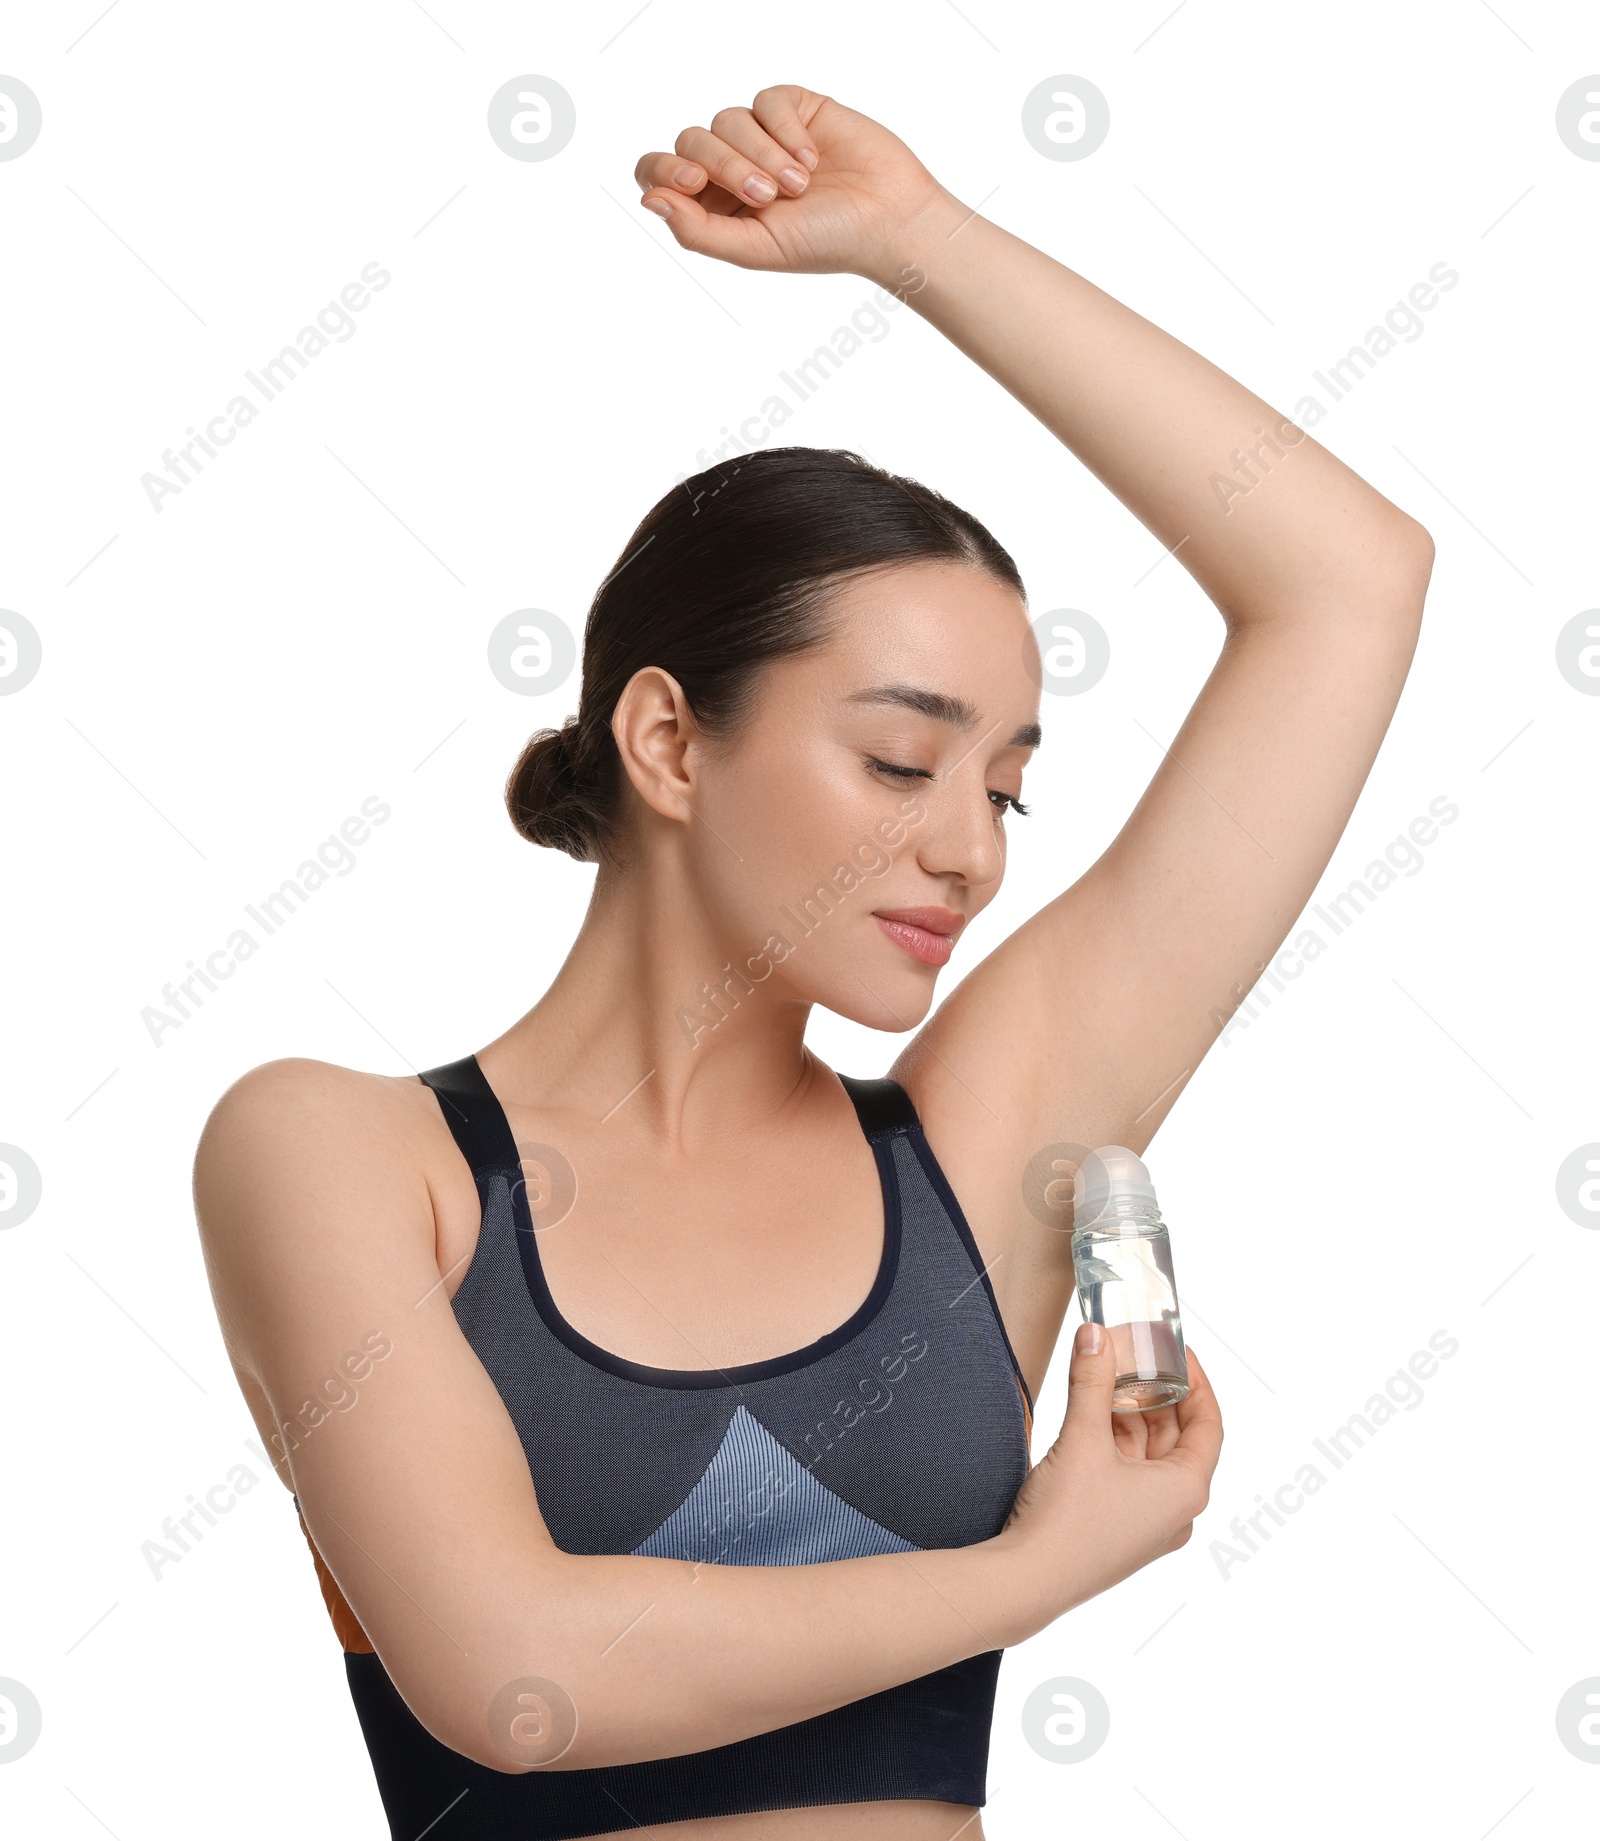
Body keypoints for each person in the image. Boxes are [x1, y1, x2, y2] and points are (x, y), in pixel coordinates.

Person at [194, 84, 1431, 1841]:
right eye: (901, 760)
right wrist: (1043, 1566)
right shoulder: (338, 1153)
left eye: (1007, 787)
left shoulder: (976, 1157)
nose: (973, 846)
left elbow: (1352, 581)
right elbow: (511, 1670)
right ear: (670, 742)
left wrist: (918, 242)